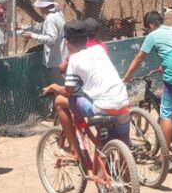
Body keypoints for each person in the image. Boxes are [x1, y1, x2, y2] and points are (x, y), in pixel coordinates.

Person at [42, 19, 131, 161]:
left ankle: (74, 150)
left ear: (67, 42)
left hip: (103, 108)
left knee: (59, 101)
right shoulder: (99, 49)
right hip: (123, 105)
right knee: (123, 158)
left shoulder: (74, 59)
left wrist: (53, 87)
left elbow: (68, 92)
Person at [121, 10, 172, 152]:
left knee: (165, 115)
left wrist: (127, 77)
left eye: (146, 28)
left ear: (150, 25)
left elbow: (139, 58)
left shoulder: (153, 36)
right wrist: (163, 65)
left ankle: (164, 156)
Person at [21, 0, 68, 86]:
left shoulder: (50, 19)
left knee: (60, 90)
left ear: (43, 6)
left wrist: (33, 35)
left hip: (55, 62)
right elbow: (42, 26)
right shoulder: (58, 14)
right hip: (62, 58)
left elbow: (51, 39)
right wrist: (24, 27)